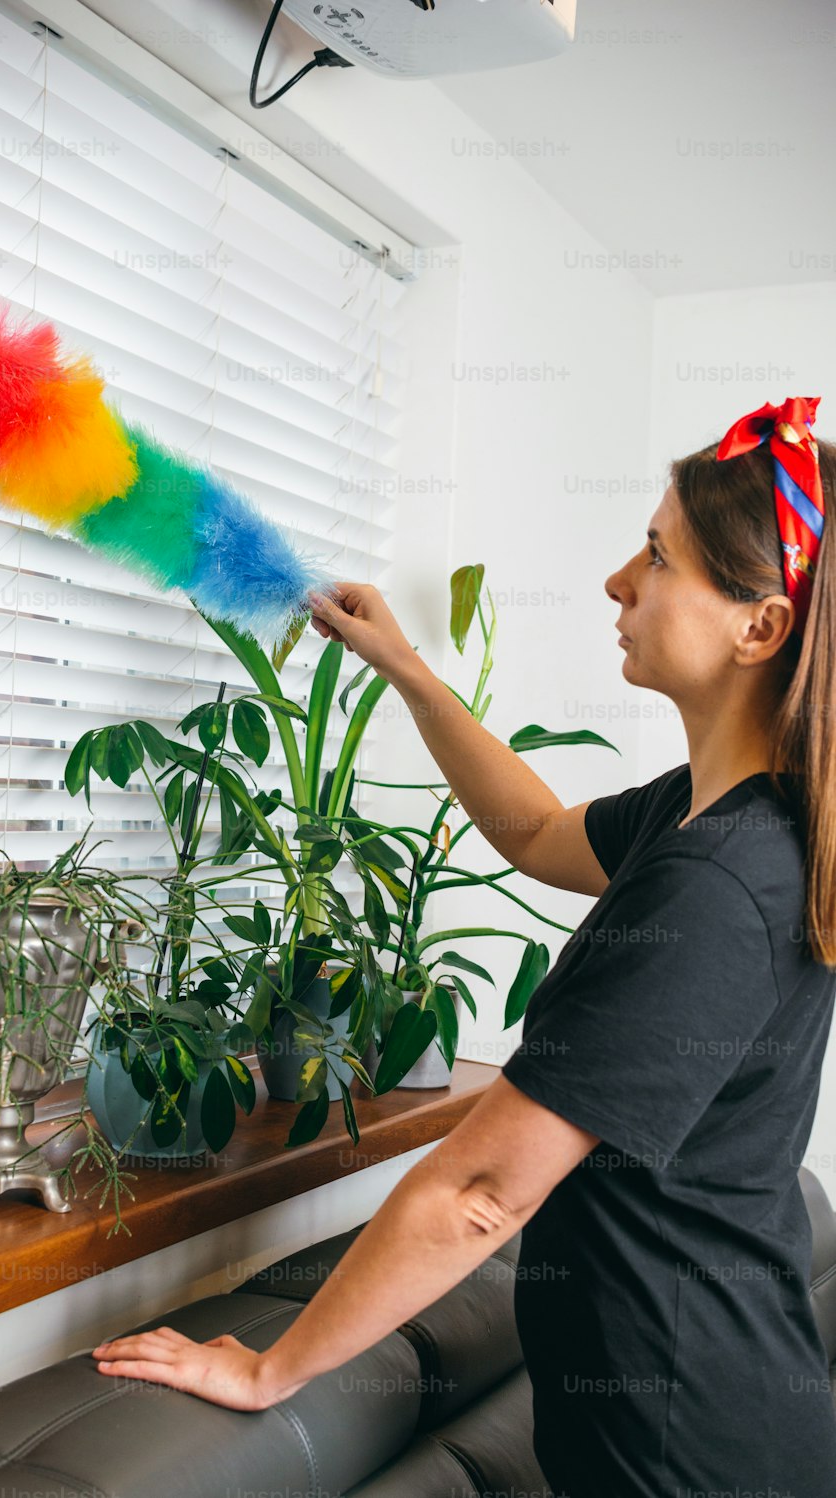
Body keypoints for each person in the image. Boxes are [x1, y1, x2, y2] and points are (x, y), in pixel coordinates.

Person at [92, 398, 836, 1497]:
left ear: (758, 628)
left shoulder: (718, 880)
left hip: (693, 1450)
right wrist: (405, 667)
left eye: (657, 556)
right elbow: (535, 831)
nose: (617, 582)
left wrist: (268, 1368)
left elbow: (481, 1191)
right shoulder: (718, 817)